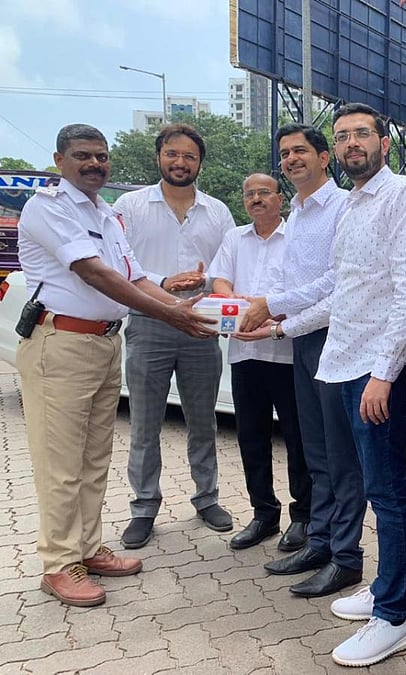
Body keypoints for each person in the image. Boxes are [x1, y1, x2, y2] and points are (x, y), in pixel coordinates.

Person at [16, 124, 216, 607]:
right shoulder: (49, 207)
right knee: (61, 463)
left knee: (92, 458)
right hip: (60, 343)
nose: (94, 164)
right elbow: (94, 273)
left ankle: (87, 548)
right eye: (82, 156)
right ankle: (59, 563)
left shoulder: (104, 213)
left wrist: (175, 304)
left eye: (101, 157)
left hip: (104, 343)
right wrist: (168, 314)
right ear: (60, 160)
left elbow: (134, 276)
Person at [317, 103, 406, 668]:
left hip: (379, 370)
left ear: (385, 143)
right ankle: (387, 585)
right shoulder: (350, 204)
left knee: (386, 493)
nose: (351, 143)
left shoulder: (404, 194)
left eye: (362, 133)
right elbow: (342, 288)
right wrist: (281, 321)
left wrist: (385, 373)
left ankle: (394, 614)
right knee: (371, 486)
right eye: (342, 136)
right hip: (345, 362)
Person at [243, 123, 367, 598]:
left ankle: (346, 558)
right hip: (303, 341)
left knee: (341, 457)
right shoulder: (296, 212)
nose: (291, 159)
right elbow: (295, 283)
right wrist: (274, 314)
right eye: (285, 153)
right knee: (315, 451)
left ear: (324, 157)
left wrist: (276, 314)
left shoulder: (342, 207)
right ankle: (320, 542)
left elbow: (337, 285)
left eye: (300, 151)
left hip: (337, 340)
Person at [114, 123, 239, 549]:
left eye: (189, 156)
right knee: (145, 423)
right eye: (172, 154)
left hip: (200, 326)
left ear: (200, 162)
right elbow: (120, 266)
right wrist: (164, 283)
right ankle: (144, 507)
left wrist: (212, 286)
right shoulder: (131, 206)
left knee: (202, 421)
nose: (180, 162)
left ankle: (207, 498)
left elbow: (226, 267)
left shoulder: (217, 211)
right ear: (159, 157)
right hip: (150, 321)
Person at [207, 174, 306, 551]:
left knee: (298, 439)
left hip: (287, 352)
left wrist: (268, 310)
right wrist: (236, 304)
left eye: (265, 192)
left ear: (280, 198)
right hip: (245, 353)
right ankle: (263, 513)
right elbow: (219, 281)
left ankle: (304, 516)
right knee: (251, 437)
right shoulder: (234, 238)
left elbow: (302, 289)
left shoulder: (296, 236)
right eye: (250, 194)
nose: (256, 199)